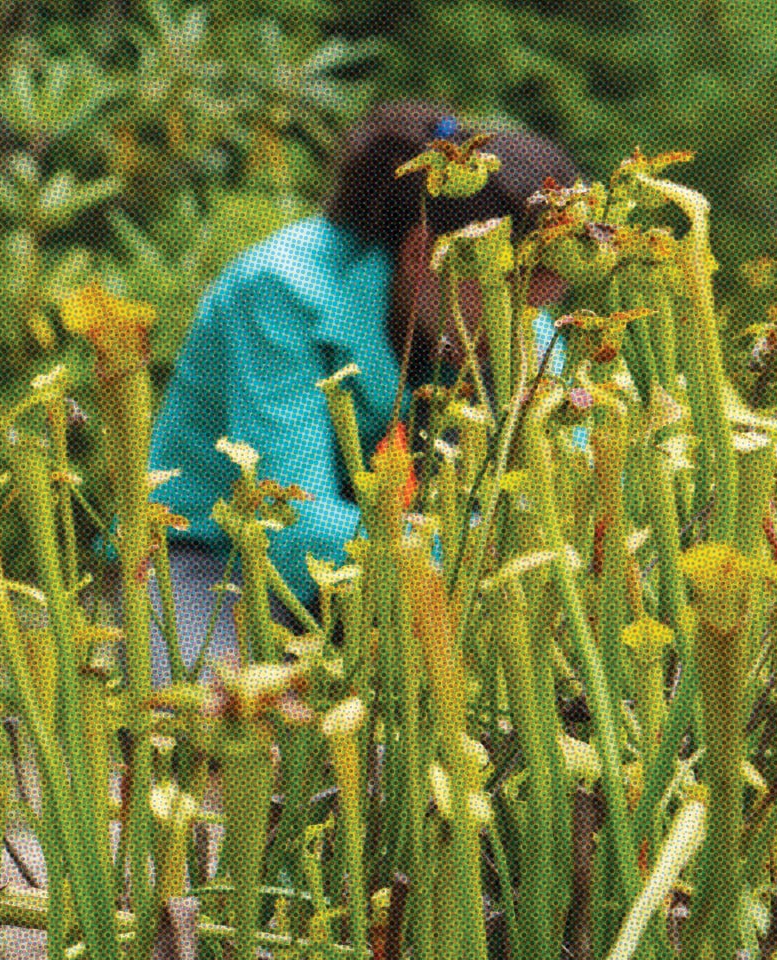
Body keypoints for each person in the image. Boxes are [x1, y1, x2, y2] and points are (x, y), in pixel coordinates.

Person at [145, 101, 577, 684]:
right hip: (209, 553)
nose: (523, 327)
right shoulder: (279, 292)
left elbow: (567, 494)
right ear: (423, 253)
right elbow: (290, 524)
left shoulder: (521, 324)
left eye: (540, 306)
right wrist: (484, 558)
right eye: (512, 299)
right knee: (227, 725)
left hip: (386, 564)